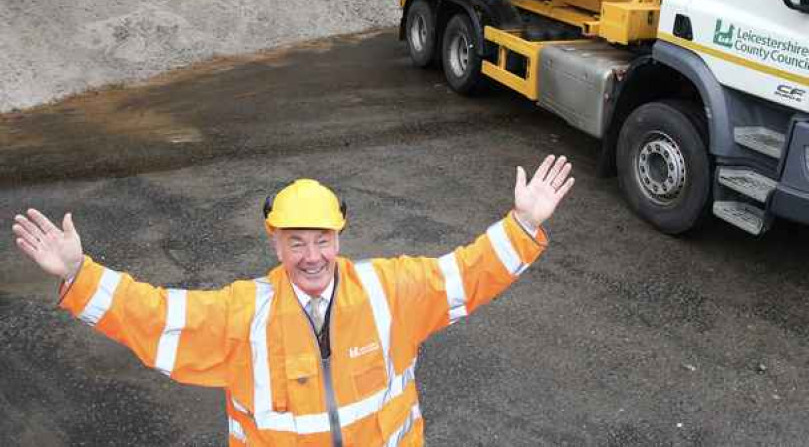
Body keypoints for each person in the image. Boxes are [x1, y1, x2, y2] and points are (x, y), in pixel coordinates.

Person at [12, 155, 574, 447]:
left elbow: (465, 274)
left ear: (340, 237)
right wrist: (79, 275)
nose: (311, 256)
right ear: (274, 241)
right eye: (296, 242)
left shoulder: (389, 292)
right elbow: (158, 318)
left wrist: (523, 223)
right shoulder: (242, 316)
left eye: (322, 241)